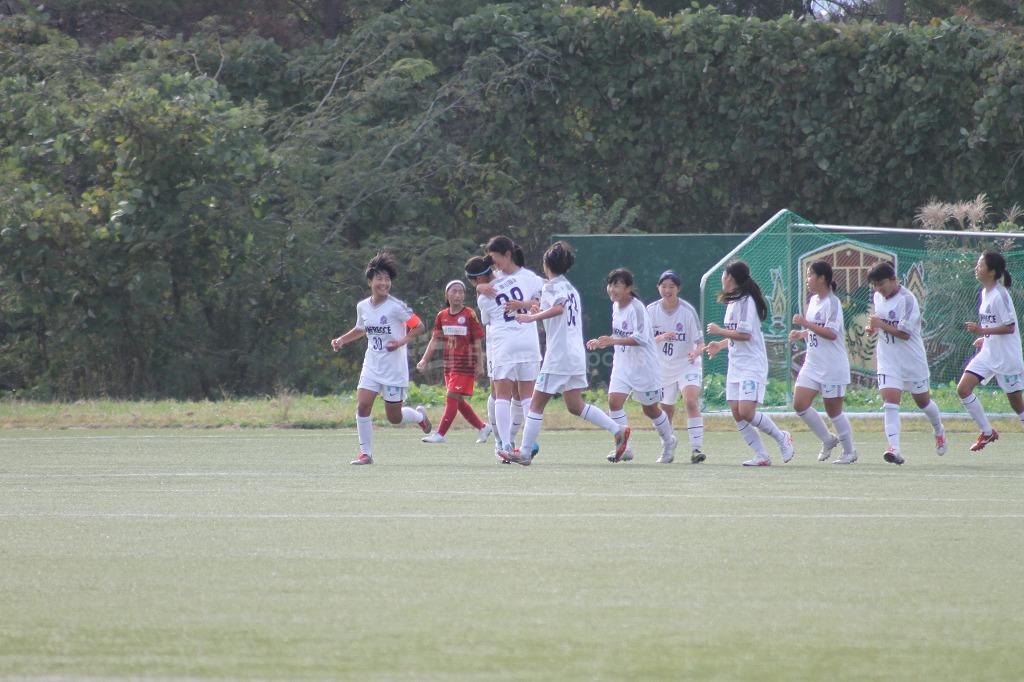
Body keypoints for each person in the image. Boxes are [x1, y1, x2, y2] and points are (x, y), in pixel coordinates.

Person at [503, 242, 630, 465]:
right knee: (574, 405)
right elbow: (558, 314)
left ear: (546, 264)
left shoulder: (553, 287)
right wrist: (539, 311)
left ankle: (524, 452)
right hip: (574, 354)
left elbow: (559, 308)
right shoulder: (570, 288)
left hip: (559, 356)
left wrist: (531, 317)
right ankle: (617, 430)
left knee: (535, 404)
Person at [330, 252, 431, 465]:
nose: (384, 283)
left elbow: (419, 326)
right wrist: (341, 340)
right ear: (370, 282)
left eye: (387, 279)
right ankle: (366, 454)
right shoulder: (363, 306)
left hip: (393, 369)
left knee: (394, 418)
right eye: (379, 278)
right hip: (372, 365)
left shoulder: (397, 306)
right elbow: (361, 329)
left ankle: (420, 417)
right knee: (363, 405)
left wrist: (401, 342)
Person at [705, 261, 793, 466]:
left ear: (730, 277)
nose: (722, 278)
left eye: (724, 275)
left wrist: (719, 331)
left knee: (746, 411)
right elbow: (736, 335)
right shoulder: (733, 301)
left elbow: (745, 335)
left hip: (752, 364)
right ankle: (762, 455)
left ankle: (782, 437)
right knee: (737, 413)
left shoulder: (747, 301)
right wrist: (720, 345)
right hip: (735, 364)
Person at [586, 268, 678, 463]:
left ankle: (669, 441)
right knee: (614, 402)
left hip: (644, 367)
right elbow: (619, 334)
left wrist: (612, 341)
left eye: (617, 285)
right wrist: (603, 342)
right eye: (610, 285)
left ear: (628, 288)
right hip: (622, 365)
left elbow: (641, 339)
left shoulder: (637, 308)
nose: (612, 289)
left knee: (650, 410)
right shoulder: (615, 306)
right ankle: (624, 447)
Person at [865, 262, 946, 465]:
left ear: (894, 279)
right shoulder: (878, 297)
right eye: (875, 285)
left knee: (923, 402)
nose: (878, 289)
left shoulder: (907, 300)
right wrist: (873, 328)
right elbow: (880, 322)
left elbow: (904, 333)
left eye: (881, 284)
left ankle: (939, 430)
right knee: (890, 403)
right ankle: (894, 449)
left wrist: (881, 324)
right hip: (888, 360)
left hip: (911, 361)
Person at [475, 236, 545, 460]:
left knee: (502, 396)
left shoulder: (489, 290)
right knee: (527, 397)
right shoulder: (530, 278)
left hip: (504, 345)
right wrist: (525, 304)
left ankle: (505, 443)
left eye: (495, 258)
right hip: (529, 343)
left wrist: (480, 288)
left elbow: (486, 319)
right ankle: (528, 444)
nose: (494, 264)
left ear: (507, 254)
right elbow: (542, 302)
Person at [789, 261, 857, 464]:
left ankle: (849, 452)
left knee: (833, 412)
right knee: (799, 404)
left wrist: (805, 323)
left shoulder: (833, 303)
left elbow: (831, 333)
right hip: (812, 363)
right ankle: (828, 439)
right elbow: (817, 328)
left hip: (832, 366)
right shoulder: (813, 301)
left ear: (822, 278)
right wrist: (802, 333)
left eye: (810, 275)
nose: (807, 279)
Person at [957, 251, 1024, 451]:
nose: (976, 268)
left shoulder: (1000, 295)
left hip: (1006, 358)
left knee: (1018, 406)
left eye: (980, 265)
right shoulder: (985, 293)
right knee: (963, 389)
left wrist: (981, 330)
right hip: (989, 354)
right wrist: (985, 338)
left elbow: (1009, 327)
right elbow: (994, 325)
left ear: (992, 271)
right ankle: (987, 432)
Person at [416, 279, 490, 444]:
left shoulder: (469, 314)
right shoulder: (441, 316)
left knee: (451, 397)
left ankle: (440, 434)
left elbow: (477, 340)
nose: (458, 295)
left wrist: (480, 364)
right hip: (449, 365)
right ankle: (482, 427)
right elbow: (435, 339)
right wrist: (424, 359)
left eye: (461, 292)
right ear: (447, 295)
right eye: (454, 291)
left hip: (465, 364)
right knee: (458, 401)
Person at [647, 270, 707, 463]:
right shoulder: (650, 311)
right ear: (658, 287)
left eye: (671, 287)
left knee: (690, 401)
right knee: (665, 410)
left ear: (678, 289)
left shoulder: (687, 311)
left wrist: (695, 353)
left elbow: (700, 343)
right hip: (662, 368)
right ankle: (667, 448)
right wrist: (661, 337)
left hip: (687, 365)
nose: (667, 290)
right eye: (664, 286)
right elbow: (643, 341)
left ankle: (696, 449)